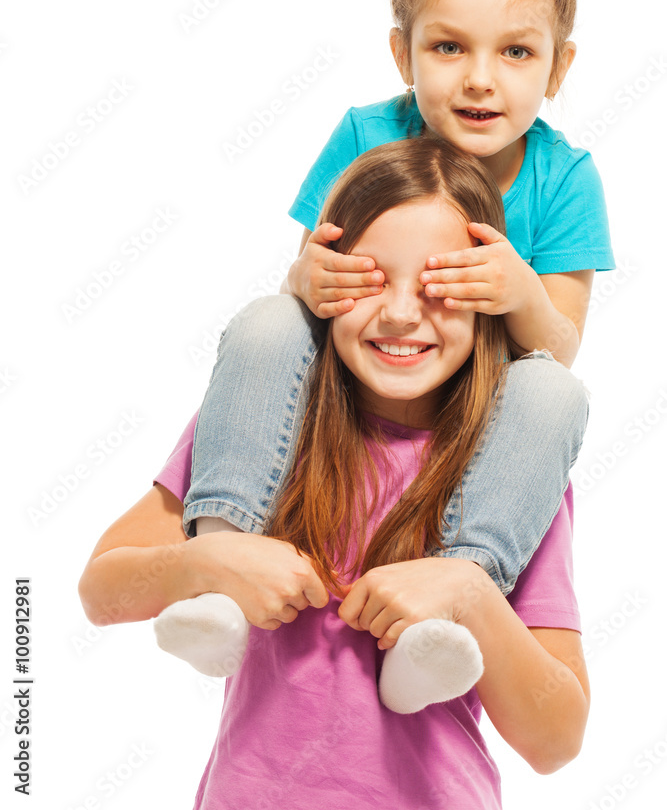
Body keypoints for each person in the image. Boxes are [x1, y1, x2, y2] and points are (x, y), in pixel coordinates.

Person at [150, 0, 613, 685]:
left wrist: (518, 291)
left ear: (557, 70)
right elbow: (311, 276)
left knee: (554, 393)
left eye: (515, 53)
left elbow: (559, 343)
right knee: (267, 320)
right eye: (446, 46)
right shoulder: (368, 135)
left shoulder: (563, 176)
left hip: (472, 400)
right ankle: (219, 558)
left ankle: (446, 612)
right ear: (402, 52)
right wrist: (306, 278)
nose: (478, 77)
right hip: (359, 380)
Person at [79, 138, 590, 809]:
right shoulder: (257, 426)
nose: (402, 313)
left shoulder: (510, 466)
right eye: (369, 280)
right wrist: (207, 562)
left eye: (439, 288)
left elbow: (555, 741)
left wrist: (470, 596)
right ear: (323, 282)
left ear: (485, 301)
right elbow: (101, 593)